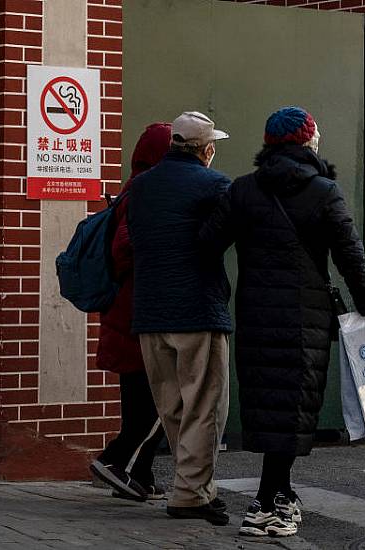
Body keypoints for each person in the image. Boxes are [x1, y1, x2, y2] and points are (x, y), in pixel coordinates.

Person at [200, 106, 365, 538]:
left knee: (270, 405)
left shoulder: (243, 191)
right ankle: (268, 504)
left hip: (257, 314)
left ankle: (278, 493)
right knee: (293, 404)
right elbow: (350, 258)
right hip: (306, 318)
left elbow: (207, 243)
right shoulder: (323, 192)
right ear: (307, 142)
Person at [127, 111, 233, 526]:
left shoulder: (141, 186)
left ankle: (194, 487)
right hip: (197, 310)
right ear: (206, 150)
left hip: (150, 312)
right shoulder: (215, 184)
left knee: (171, 406)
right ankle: (190, 493)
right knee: (204, 405)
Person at [90, 122, 171, 502]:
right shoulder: (143, 193)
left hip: (128, 316)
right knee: (159, 402)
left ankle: (138, 475)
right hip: (136, 318)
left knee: (144, 402)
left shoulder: (132, 189)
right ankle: (115, 461)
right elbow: (125, 248)